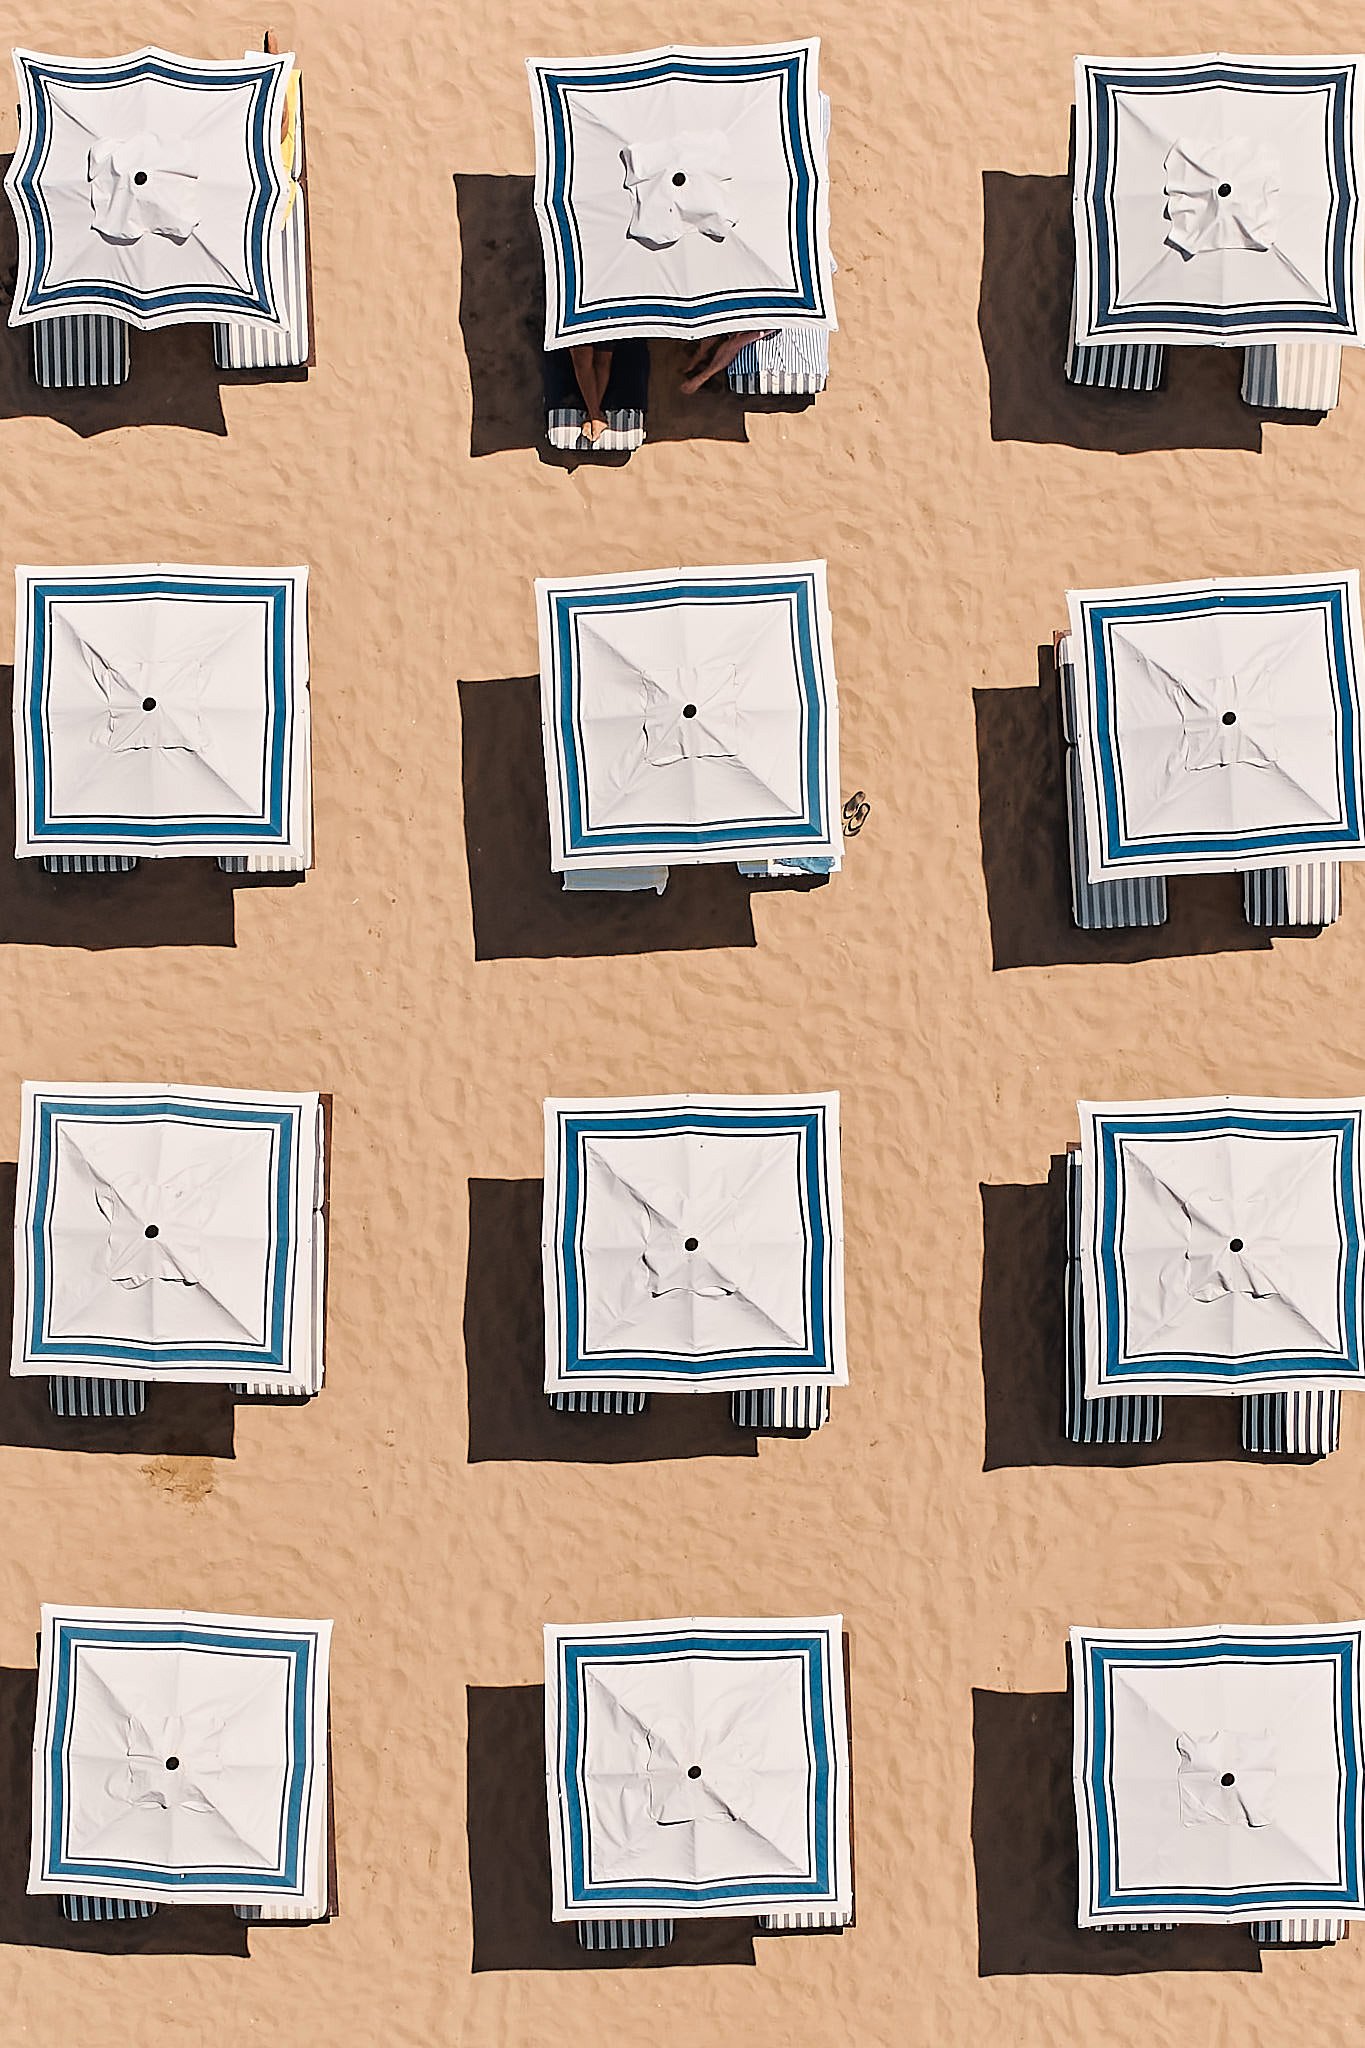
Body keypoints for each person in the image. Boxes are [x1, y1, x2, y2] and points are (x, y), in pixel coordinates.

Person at [679, 330, 774, 395]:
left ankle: (703, 377)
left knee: (734, 344)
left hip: (765, 324)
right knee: (716, 325)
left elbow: (757, 334)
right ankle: (699, 356)